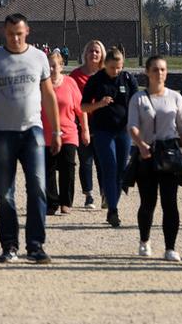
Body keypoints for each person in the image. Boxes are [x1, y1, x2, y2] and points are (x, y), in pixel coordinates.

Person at [0, 14, 60, 264]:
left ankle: (35, 245)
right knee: (4, 193)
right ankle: (9, 245)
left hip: (32, 130)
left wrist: (55, 131)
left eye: (19, 33)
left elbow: (49, 96)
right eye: (11, 33)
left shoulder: (39, 58)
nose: (15, 38)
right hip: (2, 132)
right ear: (4, 32)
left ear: (27, 32)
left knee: (38, 187)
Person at [129, 55, 182, 261]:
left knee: (170, 202)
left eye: (163, 70)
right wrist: (141, 145)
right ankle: (144, 240)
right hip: (146, 154)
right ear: (147, 72)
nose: (159, 74)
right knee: (148, 202)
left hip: (169, 154)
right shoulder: (138, 99)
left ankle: (170, 247)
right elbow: (132, 126)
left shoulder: (175, 98)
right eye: (155, 70)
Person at [81, 47, 138, 228]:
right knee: (110, 167)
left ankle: (113, 202)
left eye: (119, 67)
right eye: (112, 68)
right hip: (103, 131)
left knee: (122, 170)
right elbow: (83, 107)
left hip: (123, 131)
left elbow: (138, 102)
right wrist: (99, 103)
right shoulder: (96, 80)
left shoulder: (128, 79)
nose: (116, 71)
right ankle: (113, 210)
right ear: (105, 65)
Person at [41, 52, 88, 215]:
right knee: (48, 168)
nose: (52, 69)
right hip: (46, 133)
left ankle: (66, 202)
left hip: (68, 132)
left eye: (55, 65)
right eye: (49, 66)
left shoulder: (70, 83)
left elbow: (81, 110)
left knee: (68, 166)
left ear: (61, 66)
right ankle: (51, 202)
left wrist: (85, 130)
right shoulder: (41, 85)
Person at [70, 40, 107, 209]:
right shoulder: (76, 76)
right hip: (81, 121)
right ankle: (89, 194)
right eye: (91, 51)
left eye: (97, 51)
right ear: (85, 54)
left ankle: (105, 194)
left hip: (102, 122)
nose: (94, 54)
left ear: (102, 55)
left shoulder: (106, 74)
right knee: (85, 159)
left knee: (102, 159)